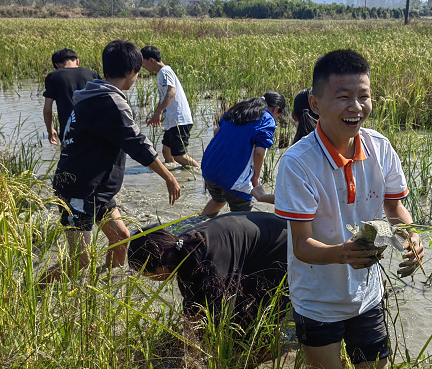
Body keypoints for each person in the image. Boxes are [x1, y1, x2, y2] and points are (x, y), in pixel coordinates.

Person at [274, 49, 424, 369]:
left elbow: (395, 207)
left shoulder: (379, 147)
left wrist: (410, 236)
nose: (355, 106)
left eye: (364, 95)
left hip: (366, 294)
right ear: (315, 103)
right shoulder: (297, 162)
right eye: (342, 96)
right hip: (317, 297)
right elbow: (303, 246)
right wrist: (343, 252)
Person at [49, 40, 181, 282]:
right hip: (79, 190)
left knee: (121, 240)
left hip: (96, 188)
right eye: (138, 73)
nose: (137, 78)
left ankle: (108, 291)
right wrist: (169, 177)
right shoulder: (111, 102)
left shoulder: (92, 94)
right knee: (80, 261)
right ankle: (30, 291)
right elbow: (138, 145)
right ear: (131, 71)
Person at [127, 212, 288, 326]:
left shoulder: (210, 265)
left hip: (282, 246)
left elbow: (220, 310)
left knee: (252, 315)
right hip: (257, 238)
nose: (146, 278)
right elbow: (192, 302)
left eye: (145, 273)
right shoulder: (181, 248)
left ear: (161, 267)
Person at [200, 92, 286, 216]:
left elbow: (217, 131)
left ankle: (196, 228)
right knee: (241, 218)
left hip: (209, 168)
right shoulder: (267, 119)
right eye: (279, 115)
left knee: (218, 201)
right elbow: (259, 152)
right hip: (233, 177)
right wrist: (256, 176)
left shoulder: (239, 110)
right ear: (277, 109)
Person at [141, 46, 200, 169]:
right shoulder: (162, 73)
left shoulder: (164, 71)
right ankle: (176, 176)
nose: (143, 66)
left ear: (151, 60)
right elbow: (164, 96)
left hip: (179, 120)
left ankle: (201, 171)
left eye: (143, 62)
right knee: (166, 151)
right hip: (173, 121)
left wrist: (159, 112)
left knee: (179, 156)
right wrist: (156, 113)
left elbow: (171, 92)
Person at [42, 49, 100, 144]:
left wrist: (50, 130)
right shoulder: (91, 74)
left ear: (57, 66)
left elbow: (48, 109)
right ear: (77, 61)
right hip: (94, 130)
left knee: (69, 157)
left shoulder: (53, 77)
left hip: (69, 132)